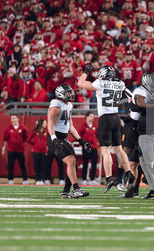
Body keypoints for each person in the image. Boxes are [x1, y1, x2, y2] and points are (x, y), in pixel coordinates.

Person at [78, 65, 135, 194]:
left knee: (105, 150)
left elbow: (80, 83)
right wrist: (130, 112)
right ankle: (129, 173)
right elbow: (131, 96)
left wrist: (86, 71)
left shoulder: (100, 83)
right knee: (119, 149)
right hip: (116, 117)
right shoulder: (120, 83)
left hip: (105, 118)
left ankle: (109, 178)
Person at [47, 83, 91, 198]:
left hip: (63, 138)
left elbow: (70, 126)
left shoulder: (69, 106)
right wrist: (53, 138)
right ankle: (76, 189)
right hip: (55, 137)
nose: (70, 94)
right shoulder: (56, 105)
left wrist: (81, 140)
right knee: (70, 160)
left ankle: (66, 191)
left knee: (73, 165)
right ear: (61, 94)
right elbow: (50, 123)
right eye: (68, 92)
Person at [2, 114, 29, 185]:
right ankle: (10, 179)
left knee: (22, 165)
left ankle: (25, 179)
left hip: (20, 151)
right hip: (11, 150)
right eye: (11, 119)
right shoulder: (8, 129)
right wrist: (3, 149)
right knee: (10, 165)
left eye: (13, 118)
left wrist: (21, 145)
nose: (12, 120)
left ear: (17, 119)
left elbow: (26, 138)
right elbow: (5, 139)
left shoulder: (23, 128)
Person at [78, 111, 99, 185]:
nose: (92, 117)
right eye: (91, 116)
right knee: (85, 163)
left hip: (93, 147)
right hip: (86, 148)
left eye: (93, 116)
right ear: (86, 117)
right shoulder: (83, 126)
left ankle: (92, 179)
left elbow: (97, 136)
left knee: (94, 163)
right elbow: (79, 136)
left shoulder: (94, 127)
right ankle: (84, 179)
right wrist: (83, 145)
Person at [27, 119, 48, 185]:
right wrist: (34, 145)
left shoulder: (47, 131)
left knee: (43, 166)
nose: (46, 124)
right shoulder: (35, 131)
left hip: (43, 151)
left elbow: (49, 140)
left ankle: (42, 179)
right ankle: (37, 179)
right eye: (45, 123)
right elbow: (28, 139)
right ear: (41, 124)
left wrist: (46, 146)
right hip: (36, 151)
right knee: (36, 166)